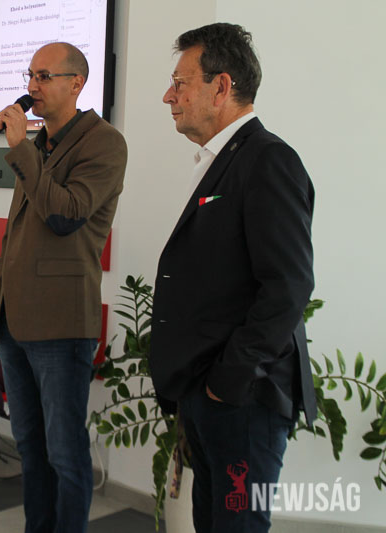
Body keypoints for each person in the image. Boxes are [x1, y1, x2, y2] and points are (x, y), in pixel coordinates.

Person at [149, 23, 316, 532]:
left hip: (243, 400)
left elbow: (287, 286)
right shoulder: (224, 160)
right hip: (209, 394)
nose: (168, 96)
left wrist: (228, 381)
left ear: (221, 87)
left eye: (180, 83)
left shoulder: (268, 160)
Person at [0, 42, 127, 533]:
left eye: (44, 76)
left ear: (76, 83)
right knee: (30, 446)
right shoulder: (39, 145)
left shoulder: (103, 143)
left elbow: (65, 215)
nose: (32, 86)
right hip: (15, 323)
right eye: (30, 75)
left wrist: (21, 149)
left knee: (64, 451)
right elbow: (15, 237)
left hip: (61, 323)